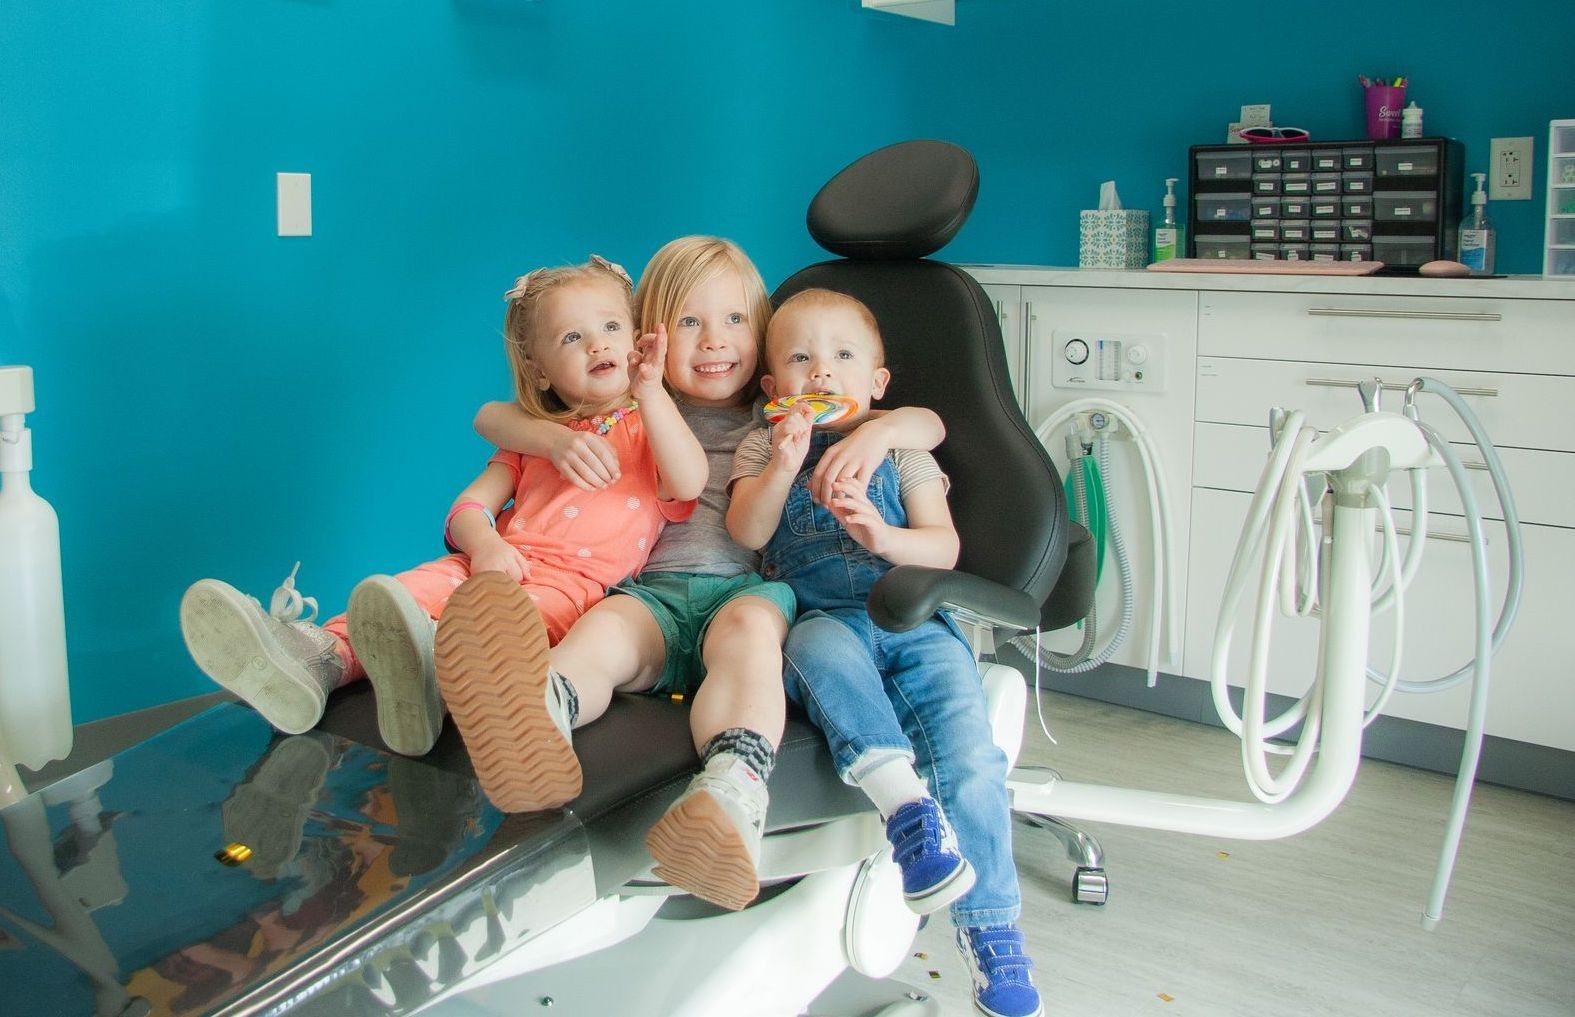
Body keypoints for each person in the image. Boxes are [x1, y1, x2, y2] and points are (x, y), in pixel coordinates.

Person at [454, 236, 944, 911]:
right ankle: (537, 718)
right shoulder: (626, 402)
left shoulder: (783, 408)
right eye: (689, 321)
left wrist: (875, 434)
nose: (715, 341)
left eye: (736, 321)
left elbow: (923, 422)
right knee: (605, 632)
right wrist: (555, 437)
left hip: (743, 591)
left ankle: (730, 792)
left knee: (750, 636)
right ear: (645, 336)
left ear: (767, 344)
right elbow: (496, 416)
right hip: (649, 595)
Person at [179, 256, 706, 808]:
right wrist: (486, 544)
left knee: (491, 638)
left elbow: (690, 480)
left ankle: (427, 676)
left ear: (638, 340)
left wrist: (649, 391)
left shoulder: (652, 428)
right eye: (572, 336)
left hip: (569, 590)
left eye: (611, 327)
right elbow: (470, 507)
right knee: (395, 597)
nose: (597, 345)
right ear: (541, 371)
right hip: (486, 563)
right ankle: (314, 661)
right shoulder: (533, 438)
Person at [726, 288, 1042, 1017]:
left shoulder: (900, 446)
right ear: (773, 387)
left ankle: (993, 932)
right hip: (823, 616)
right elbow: (747, 529)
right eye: (799, 359)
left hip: (913, 617)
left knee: (968, 754)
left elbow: (942, 544)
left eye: (841, 356)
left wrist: (882, 538)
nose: (820, 372)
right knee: (814, 647)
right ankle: (908, 817)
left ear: (876, 381)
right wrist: (782, 464)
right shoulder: (760, 442)